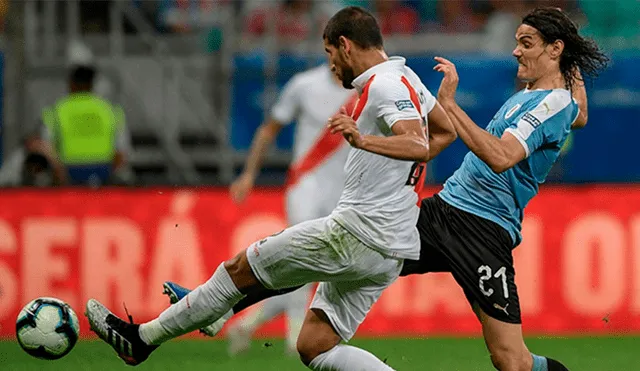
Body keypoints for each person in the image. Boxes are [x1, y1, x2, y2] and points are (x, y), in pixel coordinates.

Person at [162, 7, 608, 371]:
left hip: (484, 232)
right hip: (442, 213)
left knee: (510, 360)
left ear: (555, 49)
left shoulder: (553, 101)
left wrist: (450, 107)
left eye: (526, 43)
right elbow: (580, 114)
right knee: (343, 251)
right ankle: (224, 304)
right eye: (516, 41)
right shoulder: (544, 95)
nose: (514, 52)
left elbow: (501, 155)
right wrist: (570, 62)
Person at [85, 6, 456, 371]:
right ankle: (221, 309)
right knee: (315, 346)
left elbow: (417, 143)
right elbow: (445, 132)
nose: (331, 65)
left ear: (345, 45)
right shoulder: (407, 79)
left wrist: (363, 142)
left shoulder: (385, 85)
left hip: (358, 234)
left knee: (238, 267)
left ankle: (142, 339)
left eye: (330, 54)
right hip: (392, 248)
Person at [164, 63, 358, 356]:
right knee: (303, 258)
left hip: (343, 192)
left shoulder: (366, 88)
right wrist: (248, 174)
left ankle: (246, 322)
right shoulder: (304, 84)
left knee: (318, 267)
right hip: (304, 186)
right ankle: (294, 338)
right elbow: (269, 130)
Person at [41, 65, 130, 186]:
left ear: (71, 84)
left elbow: (46, 147)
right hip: (103, 170)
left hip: (68, 171)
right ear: (92, 85)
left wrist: (58, 174)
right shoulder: (110, 109)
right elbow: (122, 150)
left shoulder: (56, 110)